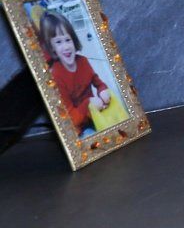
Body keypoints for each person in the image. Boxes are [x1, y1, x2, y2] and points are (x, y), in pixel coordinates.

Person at [35, 8, 127, 136]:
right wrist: (89, 103)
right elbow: (72, 119)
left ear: (73, 40)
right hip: (80, 128)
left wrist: (102, 90)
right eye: (58, 42)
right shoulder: (56, 77)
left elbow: (98, 82)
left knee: (121, 123)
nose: (66, 46)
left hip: (96, 114)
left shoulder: (83, 61)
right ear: (52, 48)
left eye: (68, 40)